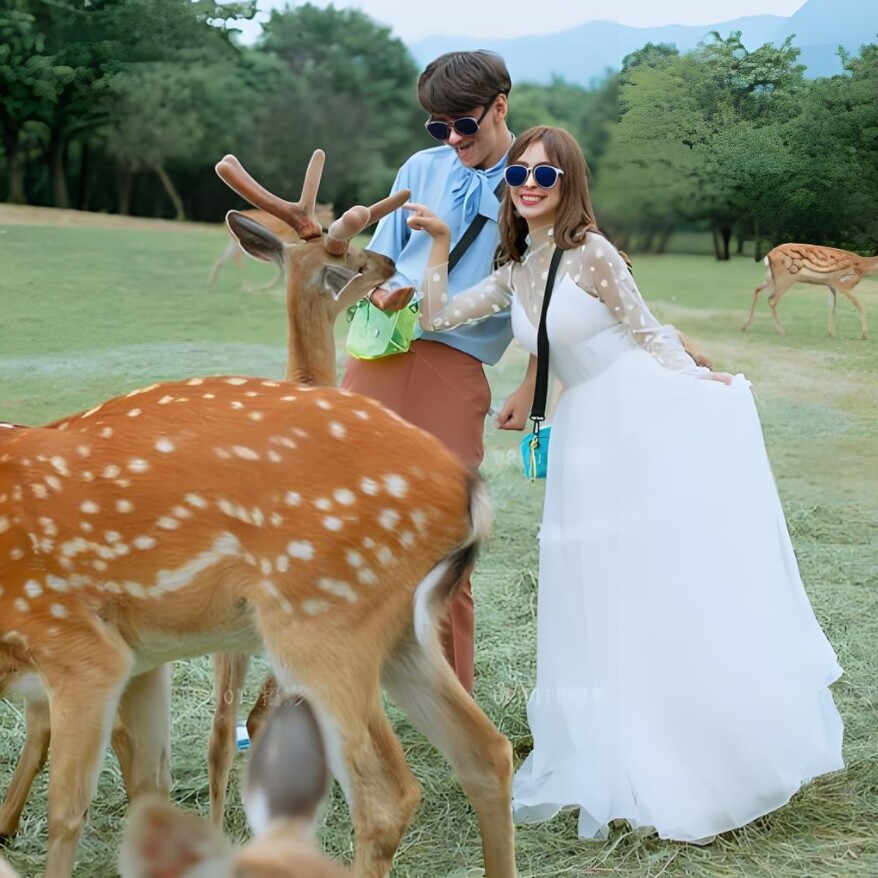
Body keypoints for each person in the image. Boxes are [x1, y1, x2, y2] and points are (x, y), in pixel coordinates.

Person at [405, 125, 844, 843]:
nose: (528, 187)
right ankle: (611, 739)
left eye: (544, 177)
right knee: (594, 584)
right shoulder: (516, 265)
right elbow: (437, 316)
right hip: (585, 439)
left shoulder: (592, 255)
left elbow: (649, 334)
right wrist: (441, 247)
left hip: (637, 417)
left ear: (568, 185)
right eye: (519, 175)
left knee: (650, 578)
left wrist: (707, 385)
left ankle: (686, 744)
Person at [342, 51, 536, 695]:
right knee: (340, 518)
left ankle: (453, 699)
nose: (451, 141)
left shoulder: (532, 181)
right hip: (378, 355)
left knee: (445, 535)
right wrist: (379, 286)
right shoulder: (420, 169)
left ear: (499, 106)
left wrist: (532, 382)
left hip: (454, 367)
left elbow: (548, 292)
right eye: (437, 128)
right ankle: (318, 685)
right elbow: (386, 261)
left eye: (463, 125)